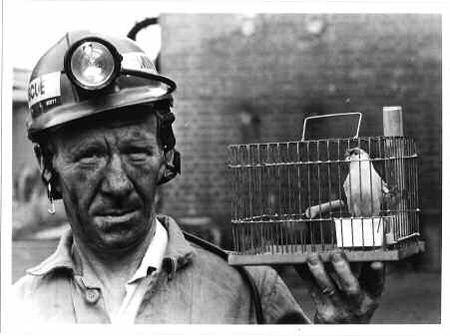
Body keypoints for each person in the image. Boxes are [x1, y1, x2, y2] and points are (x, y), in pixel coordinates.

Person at [13, 30, 385, 324]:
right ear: (49, 165)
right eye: (89, 156)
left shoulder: (251, 290)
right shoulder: (16, 310)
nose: (118, 184)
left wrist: (341, 325)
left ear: (165, 153)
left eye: (136, 151)